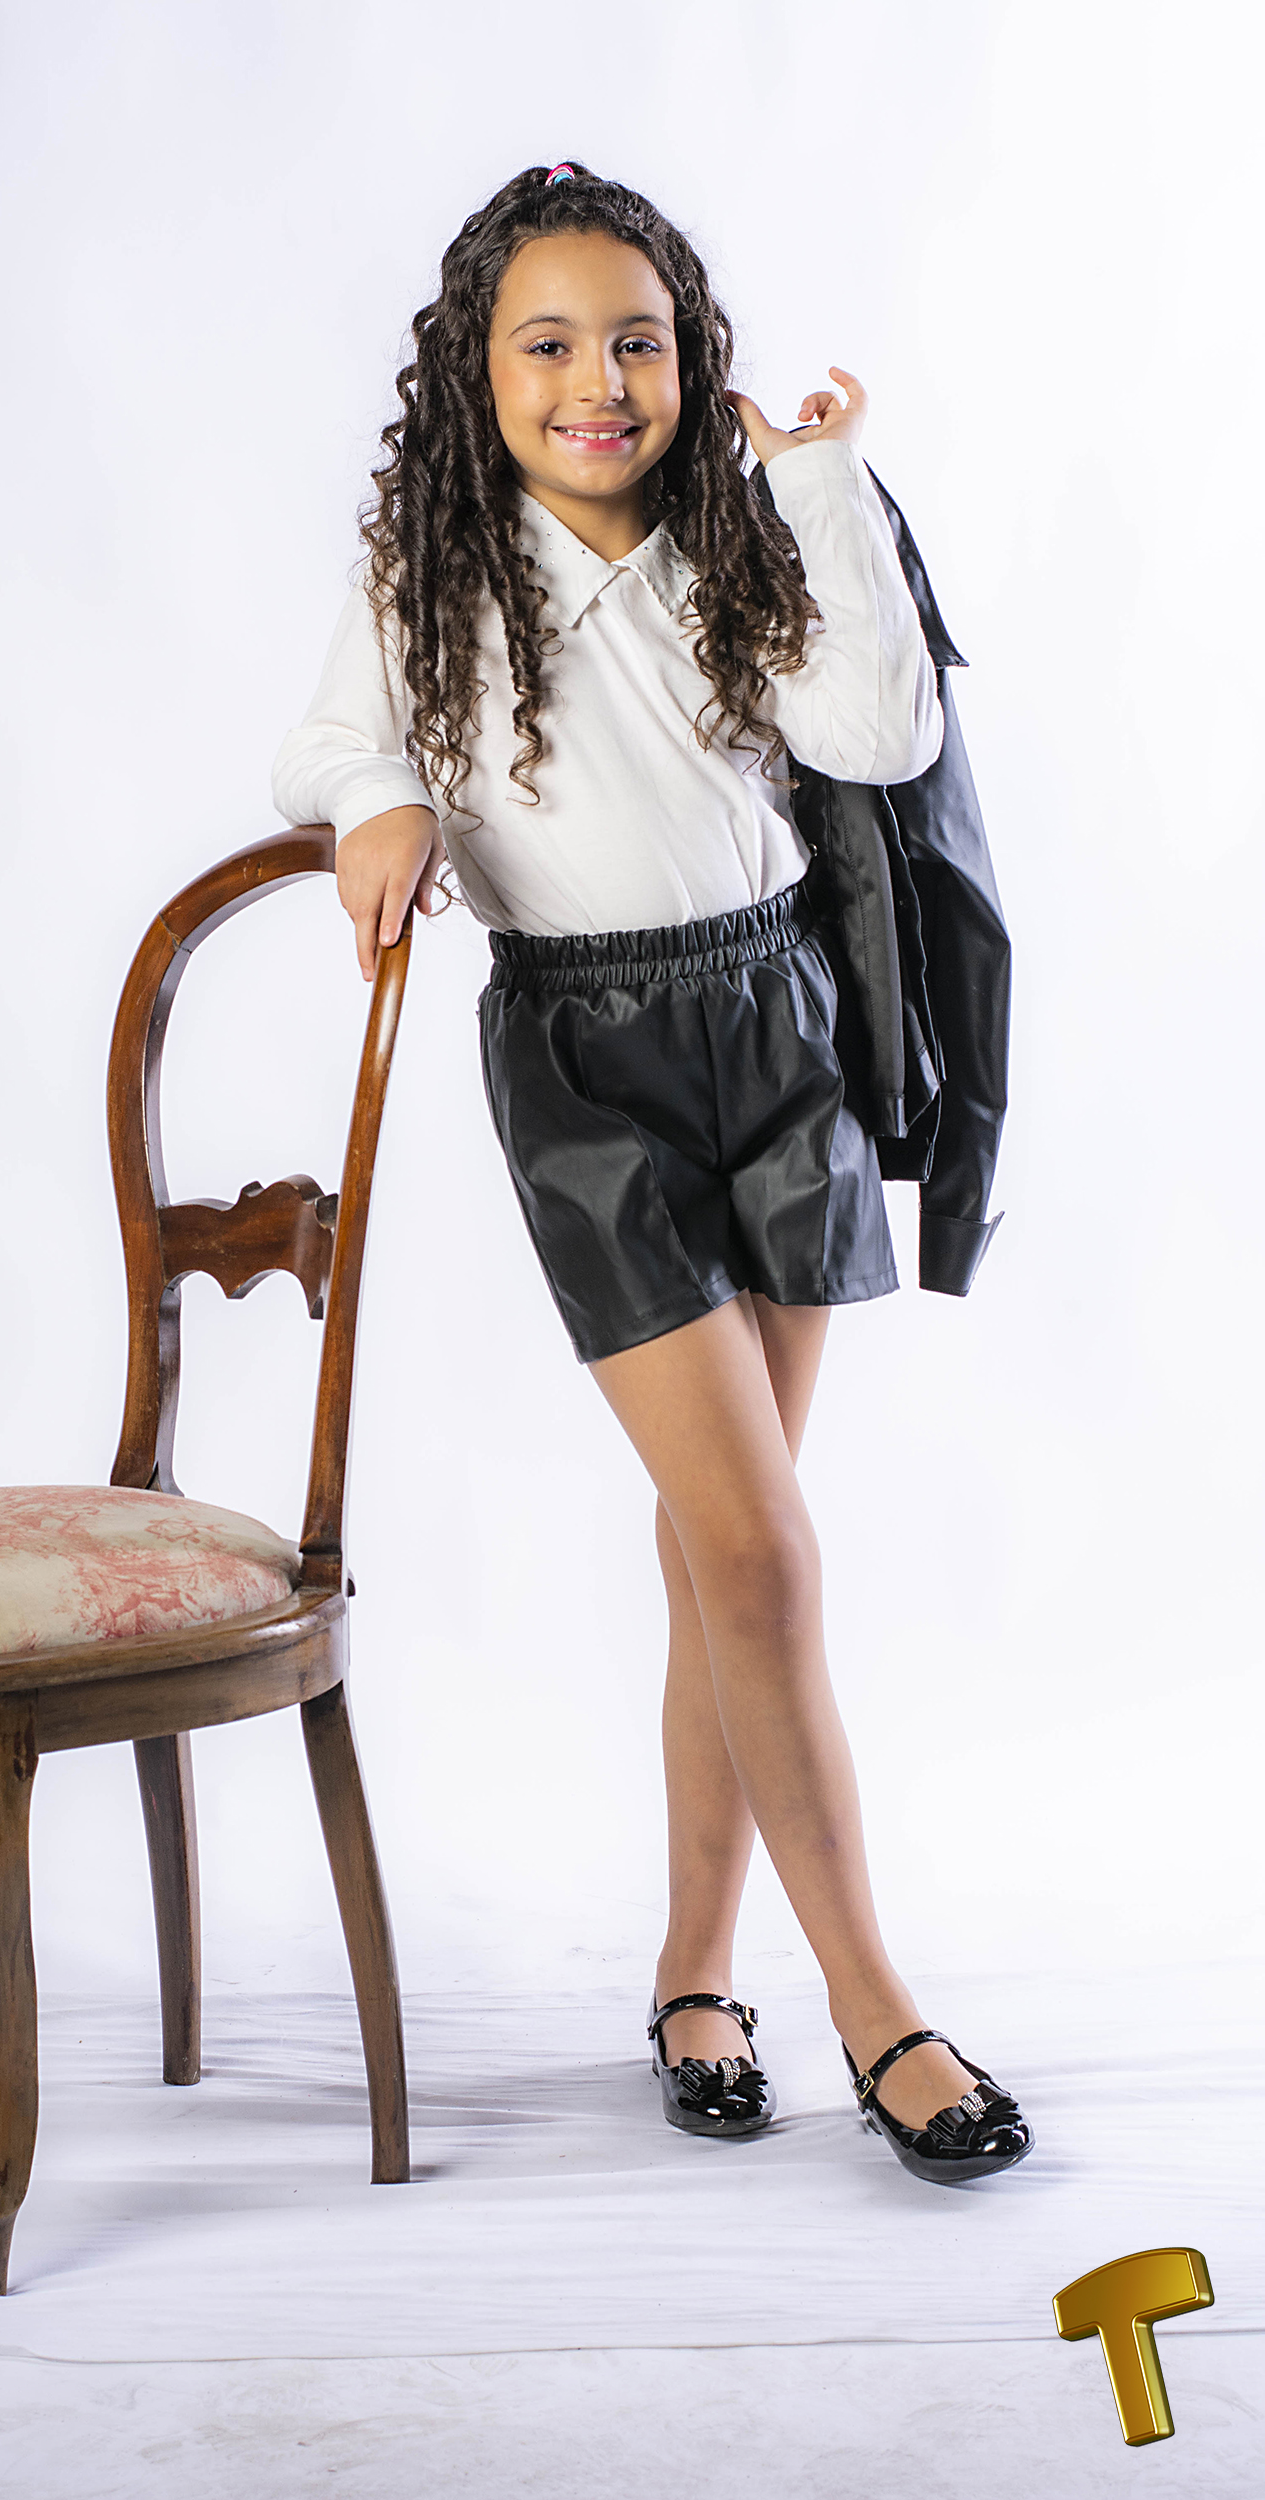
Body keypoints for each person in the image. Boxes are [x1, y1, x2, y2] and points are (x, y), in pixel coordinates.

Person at [272, 163, 1030, 2185]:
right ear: (475, 371)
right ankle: (876, 2004)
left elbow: (879, 731)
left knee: (727, 1554)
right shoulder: (431, 570)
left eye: (637, 341)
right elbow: (326, 745)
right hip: (585, 1056)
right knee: (761, 1550)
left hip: (781, 1028)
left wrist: (827, 486)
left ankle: (699, 1973)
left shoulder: (743, 530)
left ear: (691, 358)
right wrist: (376, 801)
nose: (598, 382)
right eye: (549, 345)